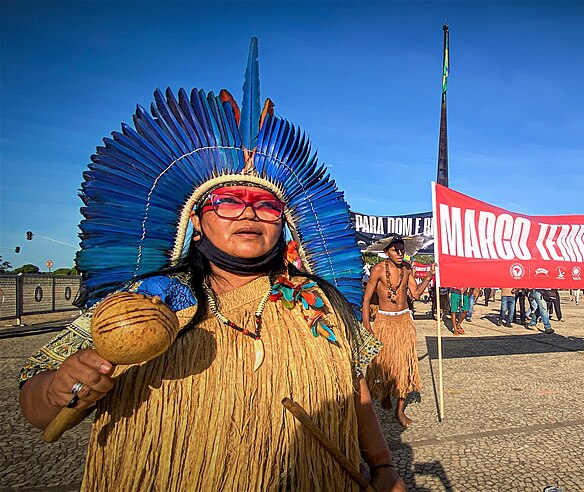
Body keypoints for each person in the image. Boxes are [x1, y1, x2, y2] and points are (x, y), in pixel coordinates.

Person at [19, 39, 404, 491]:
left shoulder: (322, 301)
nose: (248, 213)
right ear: (196, 222)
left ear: (284, 224)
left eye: (266, 205)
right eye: (227, 201)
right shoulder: (144, 298)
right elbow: (35, 404)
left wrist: (383, 467)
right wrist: (58, 387)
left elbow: (354, 389)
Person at [362, 235, 435, 428]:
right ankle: (385, 392)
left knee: (404, 366)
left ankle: (400, 410)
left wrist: (428, 277)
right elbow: (367, 298)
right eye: (395, 250)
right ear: (387, 252)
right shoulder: (378, 269)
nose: (400, 253)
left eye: (402, 249)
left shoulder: (407, 270)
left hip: (403, 321)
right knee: (384, 364)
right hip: (384, 321)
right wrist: (366, 323)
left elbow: (416, 294)